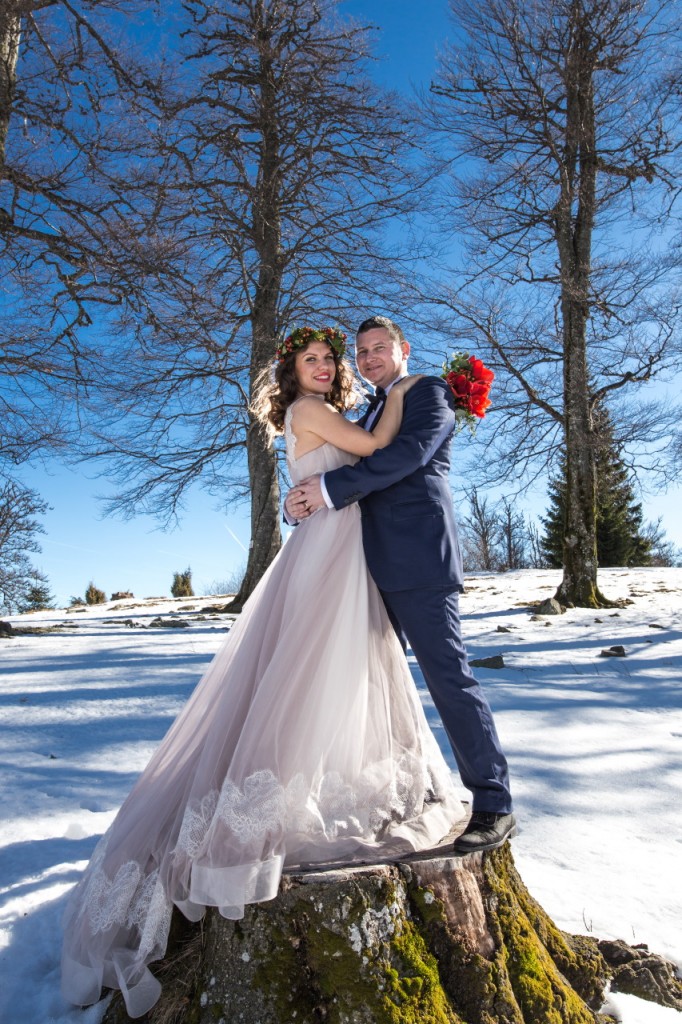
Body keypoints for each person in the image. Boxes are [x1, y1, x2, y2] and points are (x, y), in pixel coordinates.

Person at [61, 326, 464, 1020]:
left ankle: (331, 769)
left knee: (339, 666)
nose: (328, 365)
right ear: (291, 373)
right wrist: (407, 390)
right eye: (314, 359)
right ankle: (271, 796)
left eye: (330, 359)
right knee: (304, 670)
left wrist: (397, 398)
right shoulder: (317, 411)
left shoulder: (341, 409)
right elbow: (372, 450)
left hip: (347, 550)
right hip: (328, 552)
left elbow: (357, 460)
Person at [287, 316, 515, 854]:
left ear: (403, 349)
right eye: (362, 351)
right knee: (364, 683)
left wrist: (328, 486)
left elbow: (405, 457)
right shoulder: (365, 410)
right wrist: (302, 498)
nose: (369, 358)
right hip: (361, 570)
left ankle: (493, 800)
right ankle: (380, 794)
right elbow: (340, 457)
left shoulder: (428, 392)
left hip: (418, 562)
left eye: (379, 348)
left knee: (448, 679)